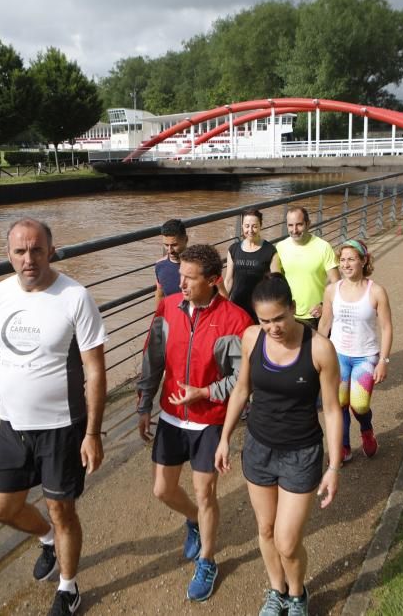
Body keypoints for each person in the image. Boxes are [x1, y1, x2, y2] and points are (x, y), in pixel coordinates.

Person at [0, 218, 107, 616]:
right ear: (8, 255)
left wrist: (93, 432)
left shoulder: (75, 297)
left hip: (63, 427)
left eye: (36, 249)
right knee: (0, 509)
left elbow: (95, 370)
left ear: (51, 250)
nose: (28, 258)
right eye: (19, 251)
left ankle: (68, 587)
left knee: (61, 509)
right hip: (13, 425)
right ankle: (47, 538)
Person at [215, 273, 343, 616]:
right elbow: (242, 389)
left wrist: (333, 467)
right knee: (266, 529)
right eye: (264, 320)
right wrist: (225, 437)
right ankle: (276, 590)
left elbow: (331, 411)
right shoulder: (251, 338)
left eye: (279, 318)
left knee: (287, 542)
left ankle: (298, 594)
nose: (273, 327)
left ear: (293, 308)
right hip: (258, 448)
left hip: (301, 453)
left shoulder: (319, 349)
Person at [136, 243, 253, 602]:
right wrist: (145, 403)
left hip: (210, 421)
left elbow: (241, 379)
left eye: (189, 278)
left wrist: (204, 392)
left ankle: (207, 560)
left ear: (214, 280)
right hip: (171, 415)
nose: (181, 284)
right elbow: (153, 358)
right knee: (162, 490)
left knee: (206, 493)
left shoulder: (236, 320)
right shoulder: (167, 308)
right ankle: (193, 522)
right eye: (180, 276)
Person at [317, 239, 393, 464]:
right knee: (339, 402)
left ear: (363, 261)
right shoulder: (332, 290)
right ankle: (344, 446)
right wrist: (316, 355)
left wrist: (383, 361)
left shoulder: (376, 291)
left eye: (351, 259)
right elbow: (324, 323)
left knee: (359, 404)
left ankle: (366, 429)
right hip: (337, 356)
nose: (346, 264)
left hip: (365, 357)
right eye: (342, 260)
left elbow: (387, 327)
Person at [275, 206, 340, 329]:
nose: (294, 230)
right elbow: (276, 281)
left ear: (308, 224)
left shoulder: (323, 247)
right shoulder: (280, 247)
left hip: (316, 316)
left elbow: (337, 283)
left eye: (299, 224)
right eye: (290, 225)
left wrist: (324, 305)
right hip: (289, 314)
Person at [224, 209, 281, 322]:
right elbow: (228, 280)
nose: (250, 230)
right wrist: (223, 303)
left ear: (261, 226)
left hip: (259, 306)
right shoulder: (233, 249)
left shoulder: (270, 251)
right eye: (247, 226)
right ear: (242, 226)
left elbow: (276, 283)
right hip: (236, 305)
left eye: (254, 226)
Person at [153, 218, 188, 307]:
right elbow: (160, 294)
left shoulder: (200, 264)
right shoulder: (160, 266)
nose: (169, 250)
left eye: (174, 245)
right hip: (172, 318)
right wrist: (158, 318)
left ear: (186, 240)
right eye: (166, 245)